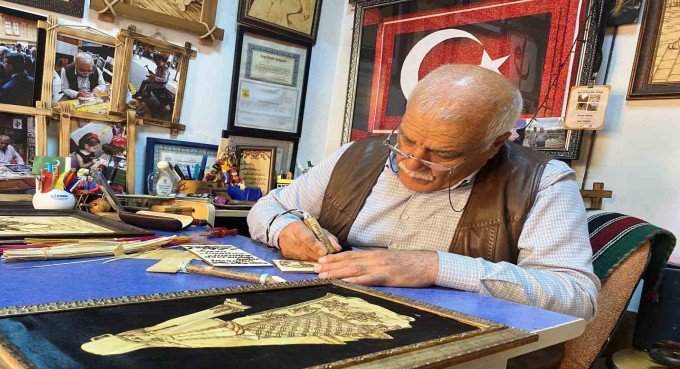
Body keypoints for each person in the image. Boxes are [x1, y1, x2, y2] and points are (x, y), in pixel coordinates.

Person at [248, 64, 598, 321]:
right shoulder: (355, 156)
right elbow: (267, 207)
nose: (412, 163)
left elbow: (577, 297)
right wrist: (284, 228)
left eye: (444, 154)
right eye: (406, 139)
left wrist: (435, 266)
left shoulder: (542, 182)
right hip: (324, 311)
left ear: (495, 144)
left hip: (457, 346)